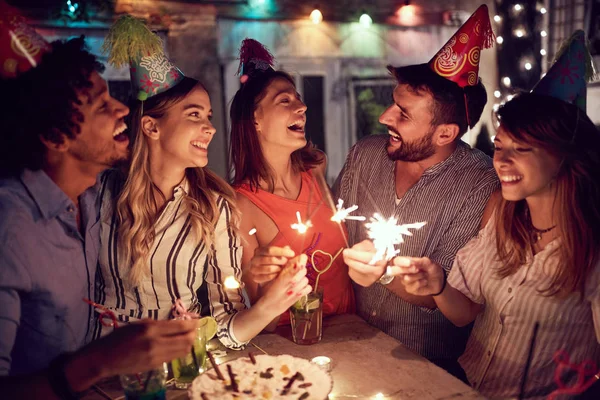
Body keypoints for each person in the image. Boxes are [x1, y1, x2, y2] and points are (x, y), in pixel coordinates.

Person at [0, 4, 199, 398]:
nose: (122, 108)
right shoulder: (11, 231)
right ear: (56, 138)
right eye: (100, 106)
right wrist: (100, 361)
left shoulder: (90, 199)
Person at [395, 31, 600, 399]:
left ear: (566, 157)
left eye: (521, 148)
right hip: (464, 387)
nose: (501, 161)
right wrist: (439, 284)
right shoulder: (501, 220)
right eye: (500, 145)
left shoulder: (592, 251)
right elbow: (466, 311)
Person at [93, 18, 311, 347]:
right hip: (103, 367)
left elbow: (224, 325)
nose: (209, 128)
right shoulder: (99, 192)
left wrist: (270, 305)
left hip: (181, 363)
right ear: (152, 127)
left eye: (208, 116)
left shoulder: (214, 209)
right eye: (194, 115)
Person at [335, 5, 499, 378]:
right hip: (351, 340)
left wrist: (385, 272)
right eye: (394, 103)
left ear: (445, 133)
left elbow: (450, 294)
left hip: (425, 364)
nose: (385, 117)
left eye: (403, 113)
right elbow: (334, 230)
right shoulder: (366, 153)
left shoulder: (479, 183)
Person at [229, 39, 355, 328]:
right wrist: (259, 276)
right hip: (295, 343)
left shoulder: (317, 169)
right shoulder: (242, 205)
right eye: (285, 100)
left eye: (297, 98)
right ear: (255, 120)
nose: (302, 106)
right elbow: (264, 318)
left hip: (352, 329)